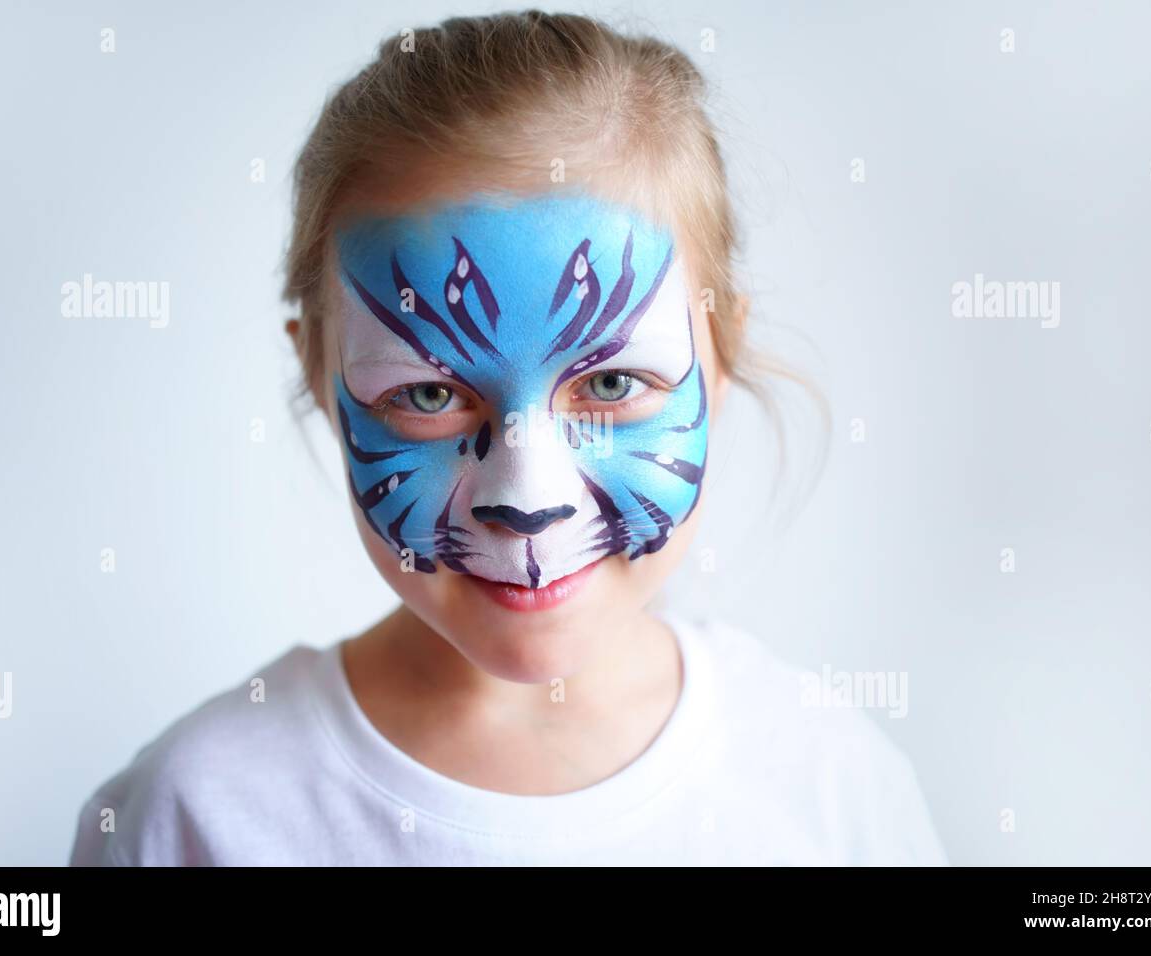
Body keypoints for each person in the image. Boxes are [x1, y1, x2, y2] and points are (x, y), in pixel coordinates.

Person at [69, 10, 947, 866]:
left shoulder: (832, 790)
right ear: (317, 378)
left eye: (612, 384)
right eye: (427, 394)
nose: (527, 501)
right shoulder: (198, 813)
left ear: (721, 359)